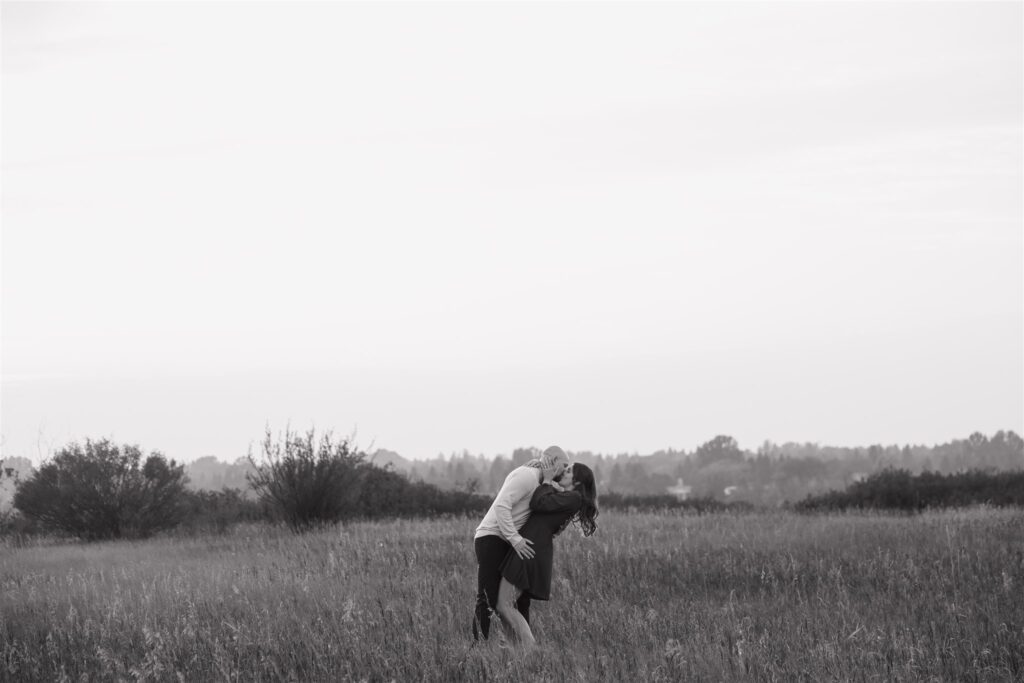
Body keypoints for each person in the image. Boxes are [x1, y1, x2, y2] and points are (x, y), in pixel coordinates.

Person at [473, 445, 571, 641]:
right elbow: (502, 506)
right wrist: (516, 539)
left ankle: (520, 652)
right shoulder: (527, 476)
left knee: (521, 600)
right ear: (551, 461)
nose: (567, 470)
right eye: (565, 465)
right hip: (492, 538)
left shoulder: (544, 483)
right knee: (487, 598)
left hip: (509, 541)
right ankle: (477, 650)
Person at [496, 462, 598, 647]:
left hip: (530, 548)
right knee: (509, 605)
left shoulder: (574, 497)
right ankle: (519, 652)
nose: (564, 471)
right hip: (532, 546)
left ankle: (531, 650)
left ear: (576, 481)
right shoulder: (569, 496)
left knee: (504, 605)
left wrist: (548, 480)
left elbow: (538, 503)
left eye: (568, 471)